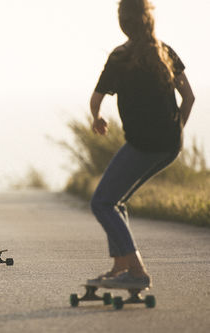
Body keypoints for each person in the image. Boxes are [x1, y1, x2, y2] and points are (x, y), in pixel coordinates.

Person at [87, 0, 195, 289]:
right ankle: (120, 266)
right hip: (170, 144)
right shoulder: (165, 51)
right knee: (115, 201)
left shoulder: (120, 56)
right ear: (149, 20)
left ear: (123, 22)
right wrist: (174, 131)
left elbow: (96, 100)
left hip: (143, 144)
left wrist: (97, 119)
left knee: (102, 202)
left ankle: (136, 271)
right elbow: (189, 98)